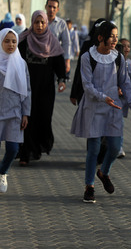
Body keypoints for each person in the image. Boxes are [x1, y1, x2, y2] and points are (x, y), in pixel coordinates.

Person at [70, 20, 131, 203]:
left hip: (113, 108)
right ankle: (89, 186)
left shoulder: (118, 57)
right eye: (111, 36)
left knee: (116, 147)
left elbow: (125, 83)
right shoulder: (88, 57)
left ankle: (104, 172)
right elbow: (87, 85)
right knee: (93, 149)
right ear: (100, 37)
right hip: (93, 107)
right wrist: (103, 97)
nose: (114, 40)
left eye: (116, 37)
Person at [18, 10, 66, 166]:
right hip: (26, 88)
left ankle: (36, 149)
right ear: (32, 23)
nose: (39, 25)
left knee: (42, 118)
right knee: (27, 119)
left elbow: (59, 64)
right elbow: (14, 62)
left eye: (42, 22)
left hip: (45, 90)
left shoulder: (52, 42)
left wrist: (61, 80)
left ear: (46, 24)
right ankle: (25, 153)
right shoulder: (24, 41)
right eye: (36, 22)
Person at [0, 28, 31, 192]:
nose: (11, 44)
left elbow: (27, 90)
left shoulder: (21, 63)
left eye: (13, 41)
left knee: (13, 149)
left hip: (15, 113)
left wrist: (26, 113)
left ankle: (2, 172)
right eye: (7, 41)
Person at [70, 18, 106, 106]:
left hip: (104, 92)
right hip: (85, 89)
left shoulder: (111, 48)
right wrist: (74, 93)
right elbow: (79, 68)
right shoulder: (87, 45)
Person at [116, 38, 131, 158]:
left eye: (128, 46)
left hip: (125, 100)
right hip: (112, 99)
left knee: (120, 123)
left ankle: (118, 146)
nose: (126, 49)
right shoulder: (113, 62)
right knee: (117, 122)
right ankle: (116, 146)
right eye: (123, 46)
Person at [45, 0, 71, 74]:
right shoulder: (40, 21)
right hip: (39, 57)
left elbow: (66, 43)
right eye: (49, 6)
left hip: (55, 57)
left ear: (57, 9)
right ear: (45, 7)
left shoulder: (61, 24)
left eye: (54, 7)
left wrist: (67, 61)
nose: (51, 9)